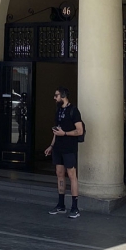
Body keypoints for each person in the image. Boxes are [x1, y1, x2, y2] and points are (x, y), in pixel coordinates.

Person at [44, 87, 83, 219]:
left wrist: (65, 133)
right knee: (59, 174)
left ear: (63, 96)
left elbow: (80, 130)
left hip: (69, 148)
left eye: (57, 95)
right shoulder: (59, 110)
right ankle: (61, 205)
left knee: (72, 175)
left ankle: (75, 207)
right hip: (58, 147)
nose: (55, 98)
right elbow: (57, 131)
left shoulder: (73, 111)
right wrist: (51, 145)